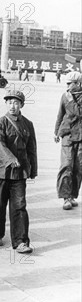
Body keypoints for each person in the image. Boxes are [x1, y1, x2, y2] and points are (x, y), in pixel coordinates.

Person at [0, 89, 37, 253]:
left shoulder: (28, 124)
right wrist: (10, 159)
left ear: (21, 105)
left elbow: (32, 148)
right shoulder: (0, 123)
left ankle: (21, 241)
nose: (12, 106)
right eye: (9, 102)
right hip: (0, 171)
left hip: (20, 173)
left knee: (20, 206)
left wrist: (33, 169)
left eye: (16, 102)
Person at [54, 71, 82, 210]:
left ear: (78, 84)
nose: (67, 86)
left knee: (78, 168)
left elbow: (79, 113)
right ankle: (65, 197)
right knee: (66, 165)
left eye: (70, 84)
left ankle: (72, 196)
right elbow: (60, 114)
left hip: (81, 137)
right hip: (67, 136)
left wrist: (71, 101)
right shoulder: (65, 96)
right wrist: (56, 131)